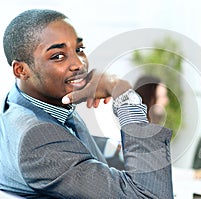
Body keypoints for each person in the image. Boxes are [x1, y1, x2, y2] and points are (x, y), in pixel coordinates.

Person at [0, 9, 173, 198]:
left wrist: (110, 146)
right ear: (21, 70)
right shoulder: (38, 138)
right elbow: (150, 195)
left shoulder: (25, 106)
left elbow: (69, 148)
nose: (79, 64)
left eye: (79, 50)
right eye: (58, 56)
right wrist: (122, 93)